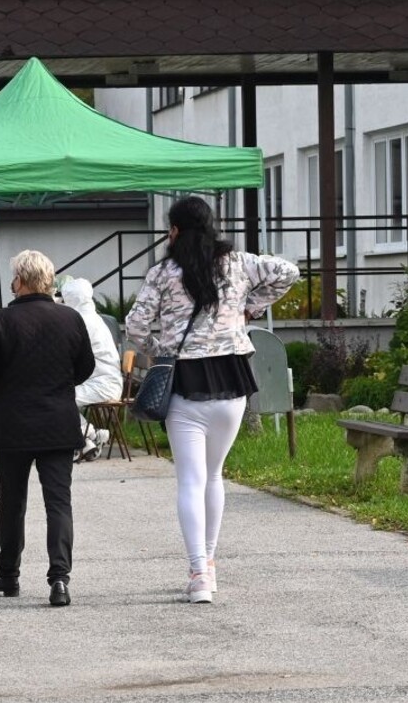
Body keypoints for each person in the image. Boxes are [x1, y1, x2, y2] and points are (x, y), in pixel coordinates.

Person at [125, 196, 299, 604]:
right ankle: (212, 563)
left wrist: (160, 346)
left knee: (190, 478)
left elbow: (135, 325)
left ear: (174, 231)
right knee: (215, 474)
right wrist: (249, 309)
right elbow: (288, 271)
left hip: (184, 380)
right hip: (232, 377)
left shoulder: (163, 273)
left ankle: (198, 572)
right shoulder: (238, 263)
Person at [0, 251, 94, 607]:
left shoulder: (3, 322)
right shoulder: (70, 319)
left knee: (12, 502)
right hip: (58, 423)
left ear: (20, 281)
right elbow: (86, 367)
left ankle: (9, 575)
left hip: (13, 426)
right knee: (58, 502)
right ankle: (60, 580)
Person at [59, 278, 124, 462]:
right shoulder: (93, 317)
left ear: (71, 299)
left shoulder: (83, 321)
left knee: (59, 399)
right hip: (103, 381)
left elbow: (69, 354)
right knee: (61, 397)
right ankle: (91, 437)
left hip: (102, 384)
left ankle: (85, 436)